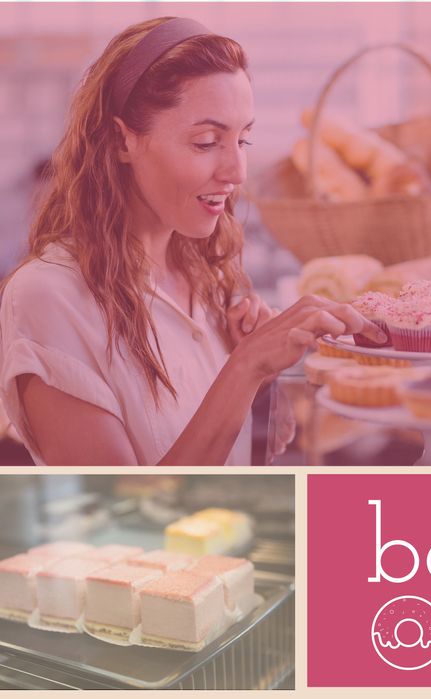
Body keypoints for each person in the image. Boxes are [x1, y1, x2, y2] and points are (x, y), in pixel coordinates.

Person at [0, 17, 384, 465]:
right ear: (121, 140)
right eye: (206, 142)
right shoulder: (49, 296)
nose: (237, 172)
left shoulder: (205, 279)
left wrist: (262, 382)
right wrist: (245, 369)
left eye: (243, 140)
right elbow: (122, 505)